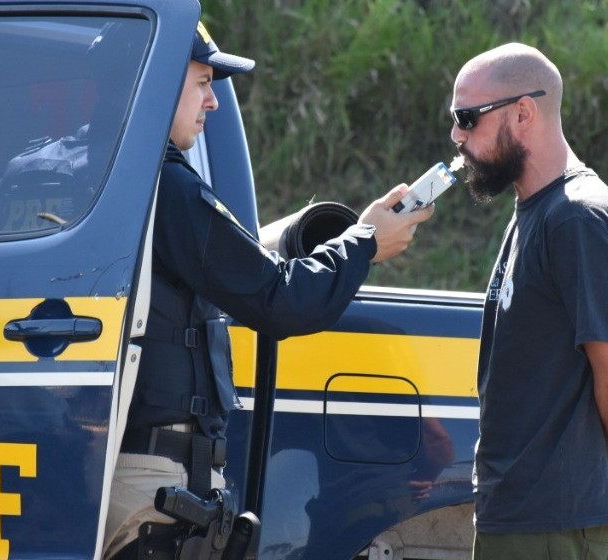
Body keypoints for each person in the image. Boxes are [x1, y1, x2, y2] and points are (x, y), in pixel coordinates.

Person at [102, 22, 434, 559]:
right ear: (157, 80)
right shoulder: (166, 186)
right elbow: (280, 299)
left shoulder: (88, 180)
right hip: (156, 483)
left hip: (132, 470)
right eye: (203, 81)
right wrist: (365, 241)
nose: (212, 100)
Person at [448, 43, 608, 560]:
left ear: (522, 111)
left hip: (554, 529)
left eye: (467, 118)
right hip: (525, 521)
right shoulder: (535, 212)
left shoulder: (578, 219)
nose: (456, 136)